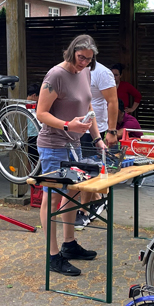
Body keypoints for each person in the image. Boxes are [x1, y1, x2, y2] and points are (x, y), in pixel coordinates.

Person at [36, 34, 106, 276]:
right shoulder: (56, 75)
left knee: (73, 192)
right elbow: (41, 113)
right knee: (52, 198)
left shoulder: (85, 72)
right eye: (81, 57)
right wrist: (67, 125)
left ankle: (69, 244)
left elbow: (88, 107)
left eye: (89, 59)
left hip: (74, 144)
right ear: (72, 52)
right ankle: (52, 256)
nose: (84, 62)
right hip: (53, 145)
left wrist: (97, 139)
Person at [76, 59, 119, 229]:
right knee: (77, 169)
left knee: (88, 170)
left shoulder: (102, 72)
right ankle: (99, 200)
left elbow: (113, 101)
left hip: (95, 130)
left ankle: (83, 211)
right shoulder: (71, 70)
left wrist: (112, 130)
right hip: (73, 127)